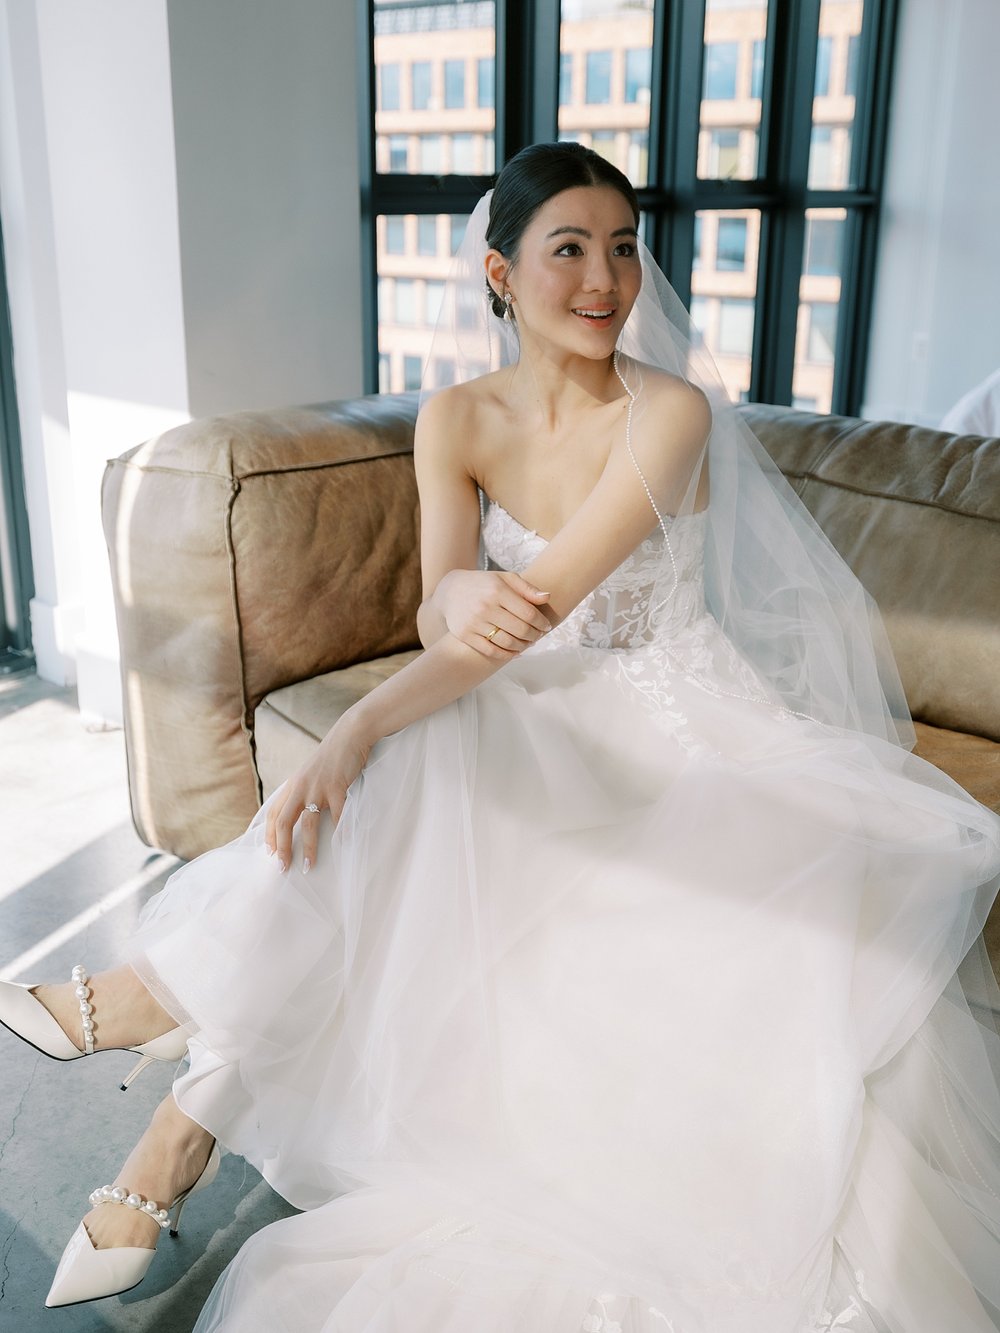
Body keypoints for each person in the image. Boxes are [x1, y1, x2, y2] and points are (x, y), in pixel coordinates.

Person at [2, 142, 1000, 1332]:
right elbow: (447, 605)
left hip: (676, 724)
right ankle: (176, 1103)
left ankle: (169, 1064)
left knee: (415, 746)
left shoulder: (669, 413)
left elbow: (538, 616)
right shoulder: (455, 416)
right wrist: (449, 603)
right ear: (498, 271)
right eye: (567, 249)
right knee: (449, 739)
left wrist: (360, 722)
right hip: (526, 698)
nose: (604, 279)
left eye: (623, 248)